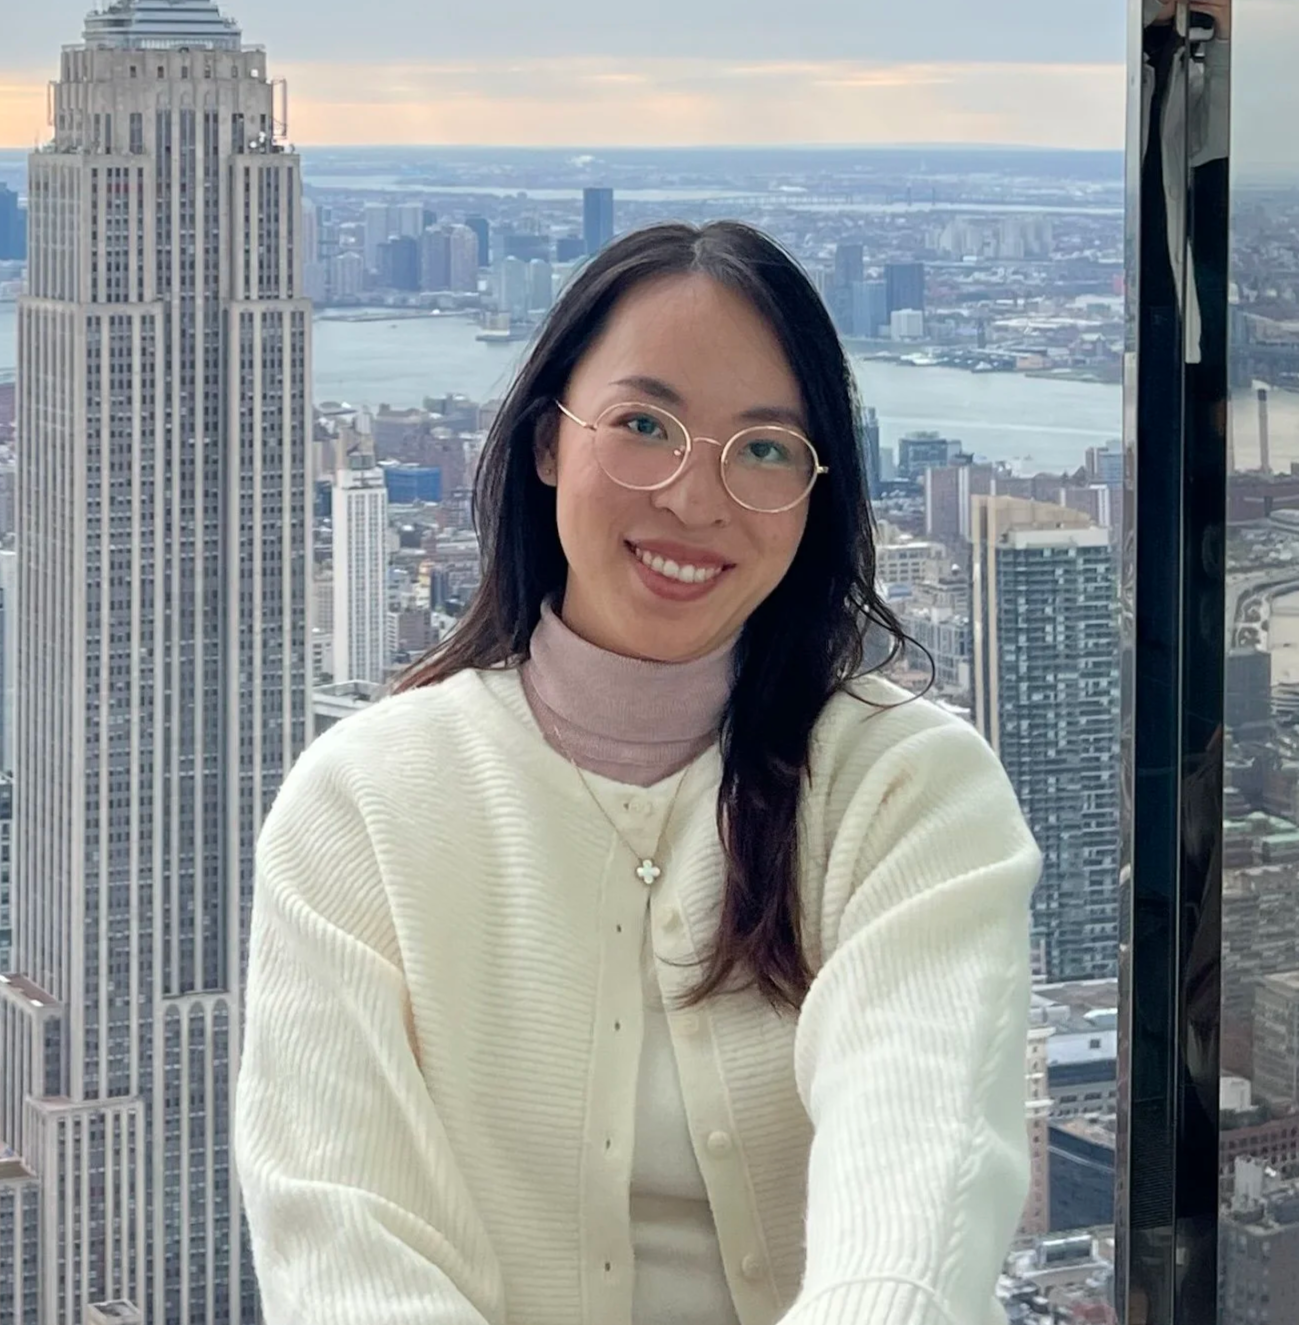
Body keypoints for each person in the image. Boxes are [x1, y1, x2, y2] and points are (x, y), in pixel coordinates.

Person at [233, 220, 1042, 1325]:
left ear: (816, 496)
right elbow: (347, 1255)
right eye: (645, 425)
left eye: (764, 448)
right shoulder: (364, 805)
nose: (694, 500)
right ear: (547, 442)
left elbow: (918, 1198)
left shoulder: (909, 794)